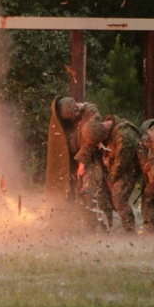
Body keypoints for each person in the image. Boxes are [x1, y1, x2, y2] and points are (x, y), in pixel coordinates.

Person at [47, 97, 109, 231]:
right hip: (77, 159)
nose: (74, 119)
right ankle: (76, 222)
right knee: (74, 191)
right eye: (71, 118)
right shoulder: (69, 118)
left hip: (91, 158)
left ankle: (94, 226)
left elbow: (91, 141)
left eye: (74, 115)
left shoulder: (91, 112)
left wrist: (82, 163)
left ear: (76, 108)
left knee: (88, 192)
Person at [96, 114, 142, 233]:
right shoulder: (105, 130)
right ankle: (108, 227)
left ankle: (130, 231)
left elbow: (122, 161)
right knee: (102, 195)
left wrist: (111, 178)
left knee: (118, 198)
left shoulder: (124, 134)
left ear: (105, 134)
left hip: (129, 169)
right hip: (115, 169)